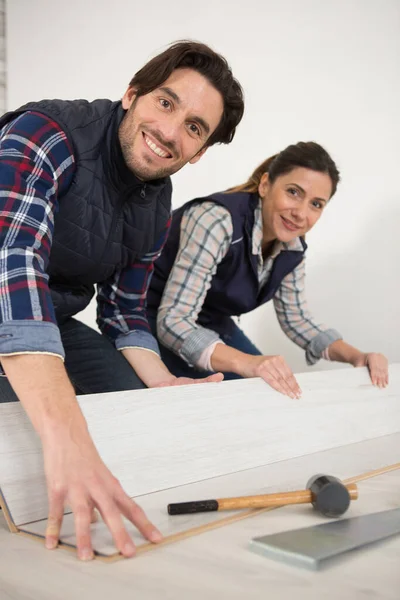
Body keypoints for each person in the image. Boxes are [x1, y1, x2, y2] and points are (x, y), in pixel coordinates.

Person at [0, 41, 244, 559]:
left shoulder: (157, 198)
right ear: (132, 95)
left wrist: (163, 382)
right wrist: (67, 433)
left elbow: (124, 309)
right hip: (11, 298)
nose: (171, 132)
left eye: (195, 128)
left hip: (53, 314)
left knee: (131, 409)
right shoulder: (47, 133)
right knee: (31, 443)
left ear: (199, 151)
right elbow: (11, 266)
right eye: (166, 102)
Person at [147, 141, 389, 399]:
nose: (300, 213)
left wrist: (357, 356)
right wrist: (247, 363)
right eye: (294, 192)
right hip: (151, 313)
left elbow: (297, 319)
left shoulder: (292, 247)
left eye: (316, 204)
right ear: (265, 185)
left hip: (209, 321)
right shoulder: (217, 220)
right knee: (230, 395)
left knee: (268, 392)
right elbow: (173, 320)